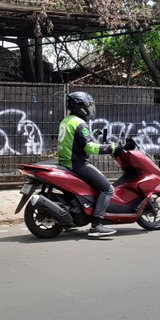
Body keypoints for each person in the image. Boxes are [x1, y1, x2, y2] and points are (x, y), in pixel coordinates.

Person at [58, 91, 122, 237]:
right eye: (88, 105)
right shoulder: (79, 123)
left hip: (65, 162)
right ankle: (97, 225)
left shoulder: (66, 121)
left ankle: (71, 220)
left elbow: (76, 141)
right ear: (80, 106)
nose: (90, 108)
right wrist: (111, 148)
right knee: (108, 189)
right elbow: (89, 148)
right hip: (78, 164)